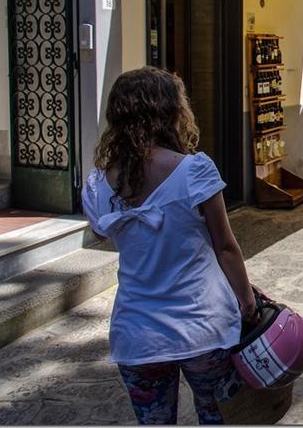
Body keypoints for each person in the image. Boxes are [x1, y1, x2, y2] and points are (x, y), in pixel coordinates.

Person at [82, 67, 256, 425]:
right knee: (219, 418)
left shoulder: (98, 184)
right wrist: (247, 299)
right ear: (172, 112)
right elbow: (225, 246)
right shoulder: (195, 171)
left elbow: (103, 235)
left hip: (138, 334)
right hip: (204, 326)